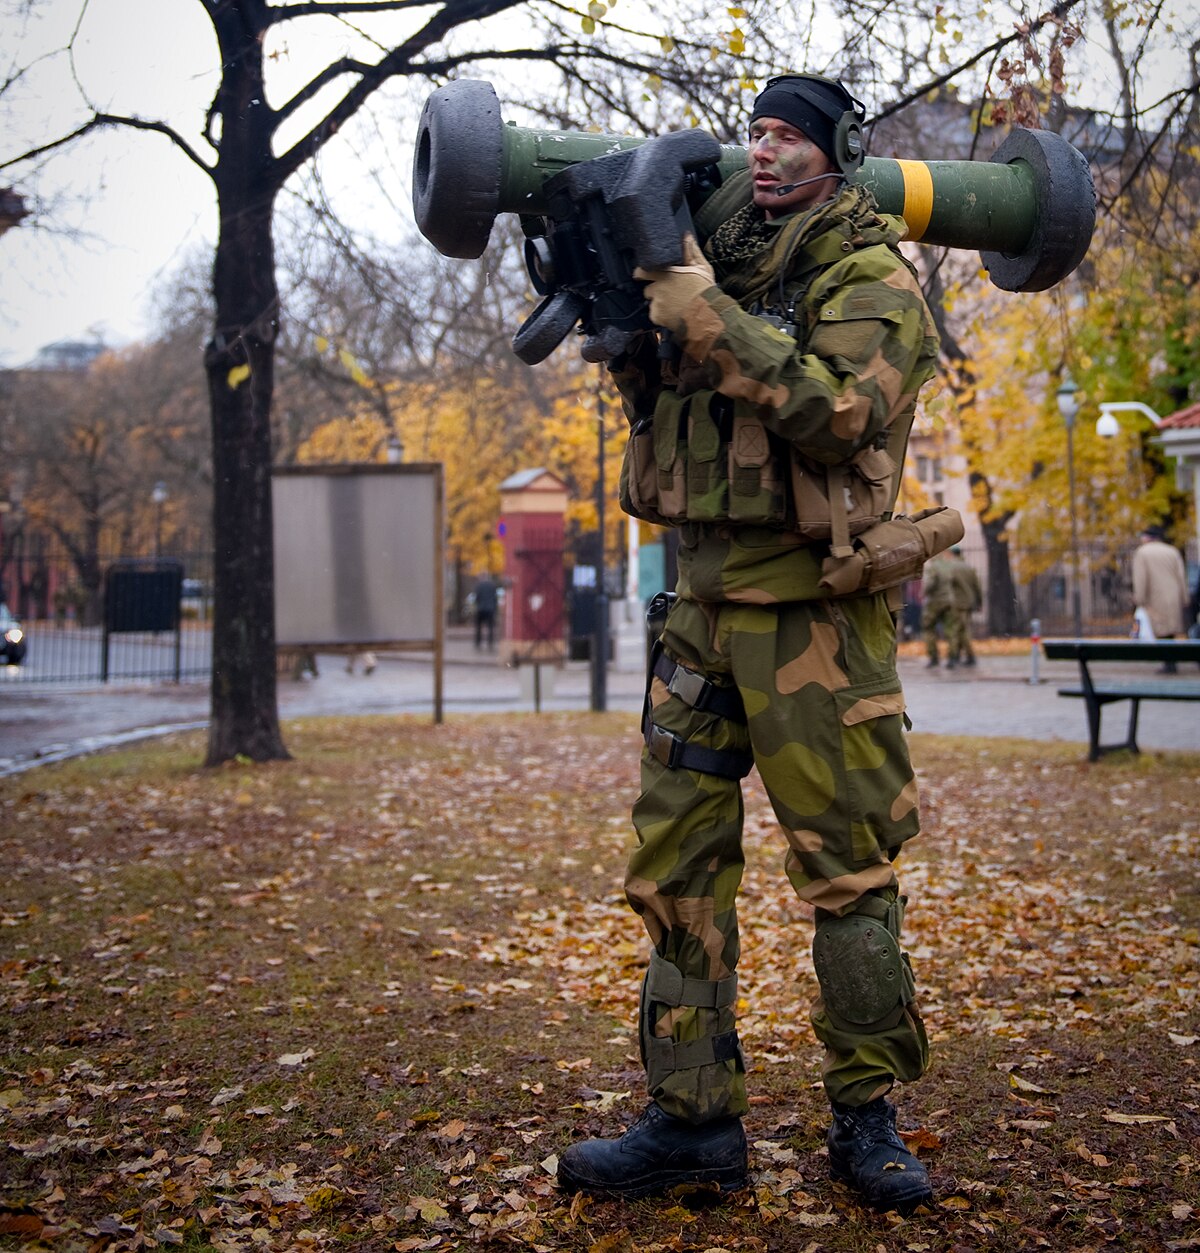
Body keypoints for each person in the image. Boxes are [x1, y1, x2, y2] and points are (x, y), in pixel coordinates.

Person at [557, 73, 956, 1214]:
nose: (765, 154)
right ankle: (691, 1121)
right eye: (756, 135)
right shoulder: (722, 268)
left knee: (849, 872)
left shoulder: (871, 278)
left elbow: (834, 412)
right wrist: (625, 308)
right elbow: (669, 399)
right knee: (676, 870)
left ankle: (867, 1117)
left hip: (813, 621)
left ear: (835, 153)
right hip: (701, 604)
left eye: (790, 137)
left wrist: (687, 297)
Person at [1132, 524, 1188, 672]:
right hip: (1173, 595)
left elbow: (1141, 578)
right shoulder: (1172, 551)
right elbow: (1181, 576)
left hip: (1154, 598)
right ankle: (1171, 662)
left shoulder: (1142, 552)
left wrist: (1139, 598)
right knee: (1169, 630)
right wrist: (1184, 596)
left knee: (1160, 631)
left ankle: (1168, 663)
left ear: (1147, 537)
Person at [946, 547, 983, 667]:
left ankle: (954, 656)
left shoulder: (951, 568)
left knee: (956, 630)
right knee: (963, 628)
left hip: (956, 604)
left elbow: (947, 585)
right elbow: (977, 586)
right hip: (968, 603)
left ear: (952, 554)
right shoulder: (969, 568)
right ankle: (967, 656)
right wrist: (979, 603)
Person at [921, 550, 957, 668]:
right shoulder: (949, 566)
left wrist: (924, 593)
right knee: (950, 630)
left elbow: (930, 584)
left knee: (929, 628)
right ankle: (952, 657)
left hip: (935, 602)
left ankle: (934, 657)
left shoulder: (933, 567)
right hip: (949, 601)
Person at [473, 575, 499, 650]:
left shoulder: (479, 586)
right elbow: (495, 598)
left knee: (478, 627)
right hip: (490, 609)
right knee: (490, 627)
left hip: (480, 609)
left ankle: (478, 643)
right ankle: (490, 643)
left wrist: (477, 605)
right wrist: (495, 609)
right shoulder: (492, 586)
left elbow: (477, 597)